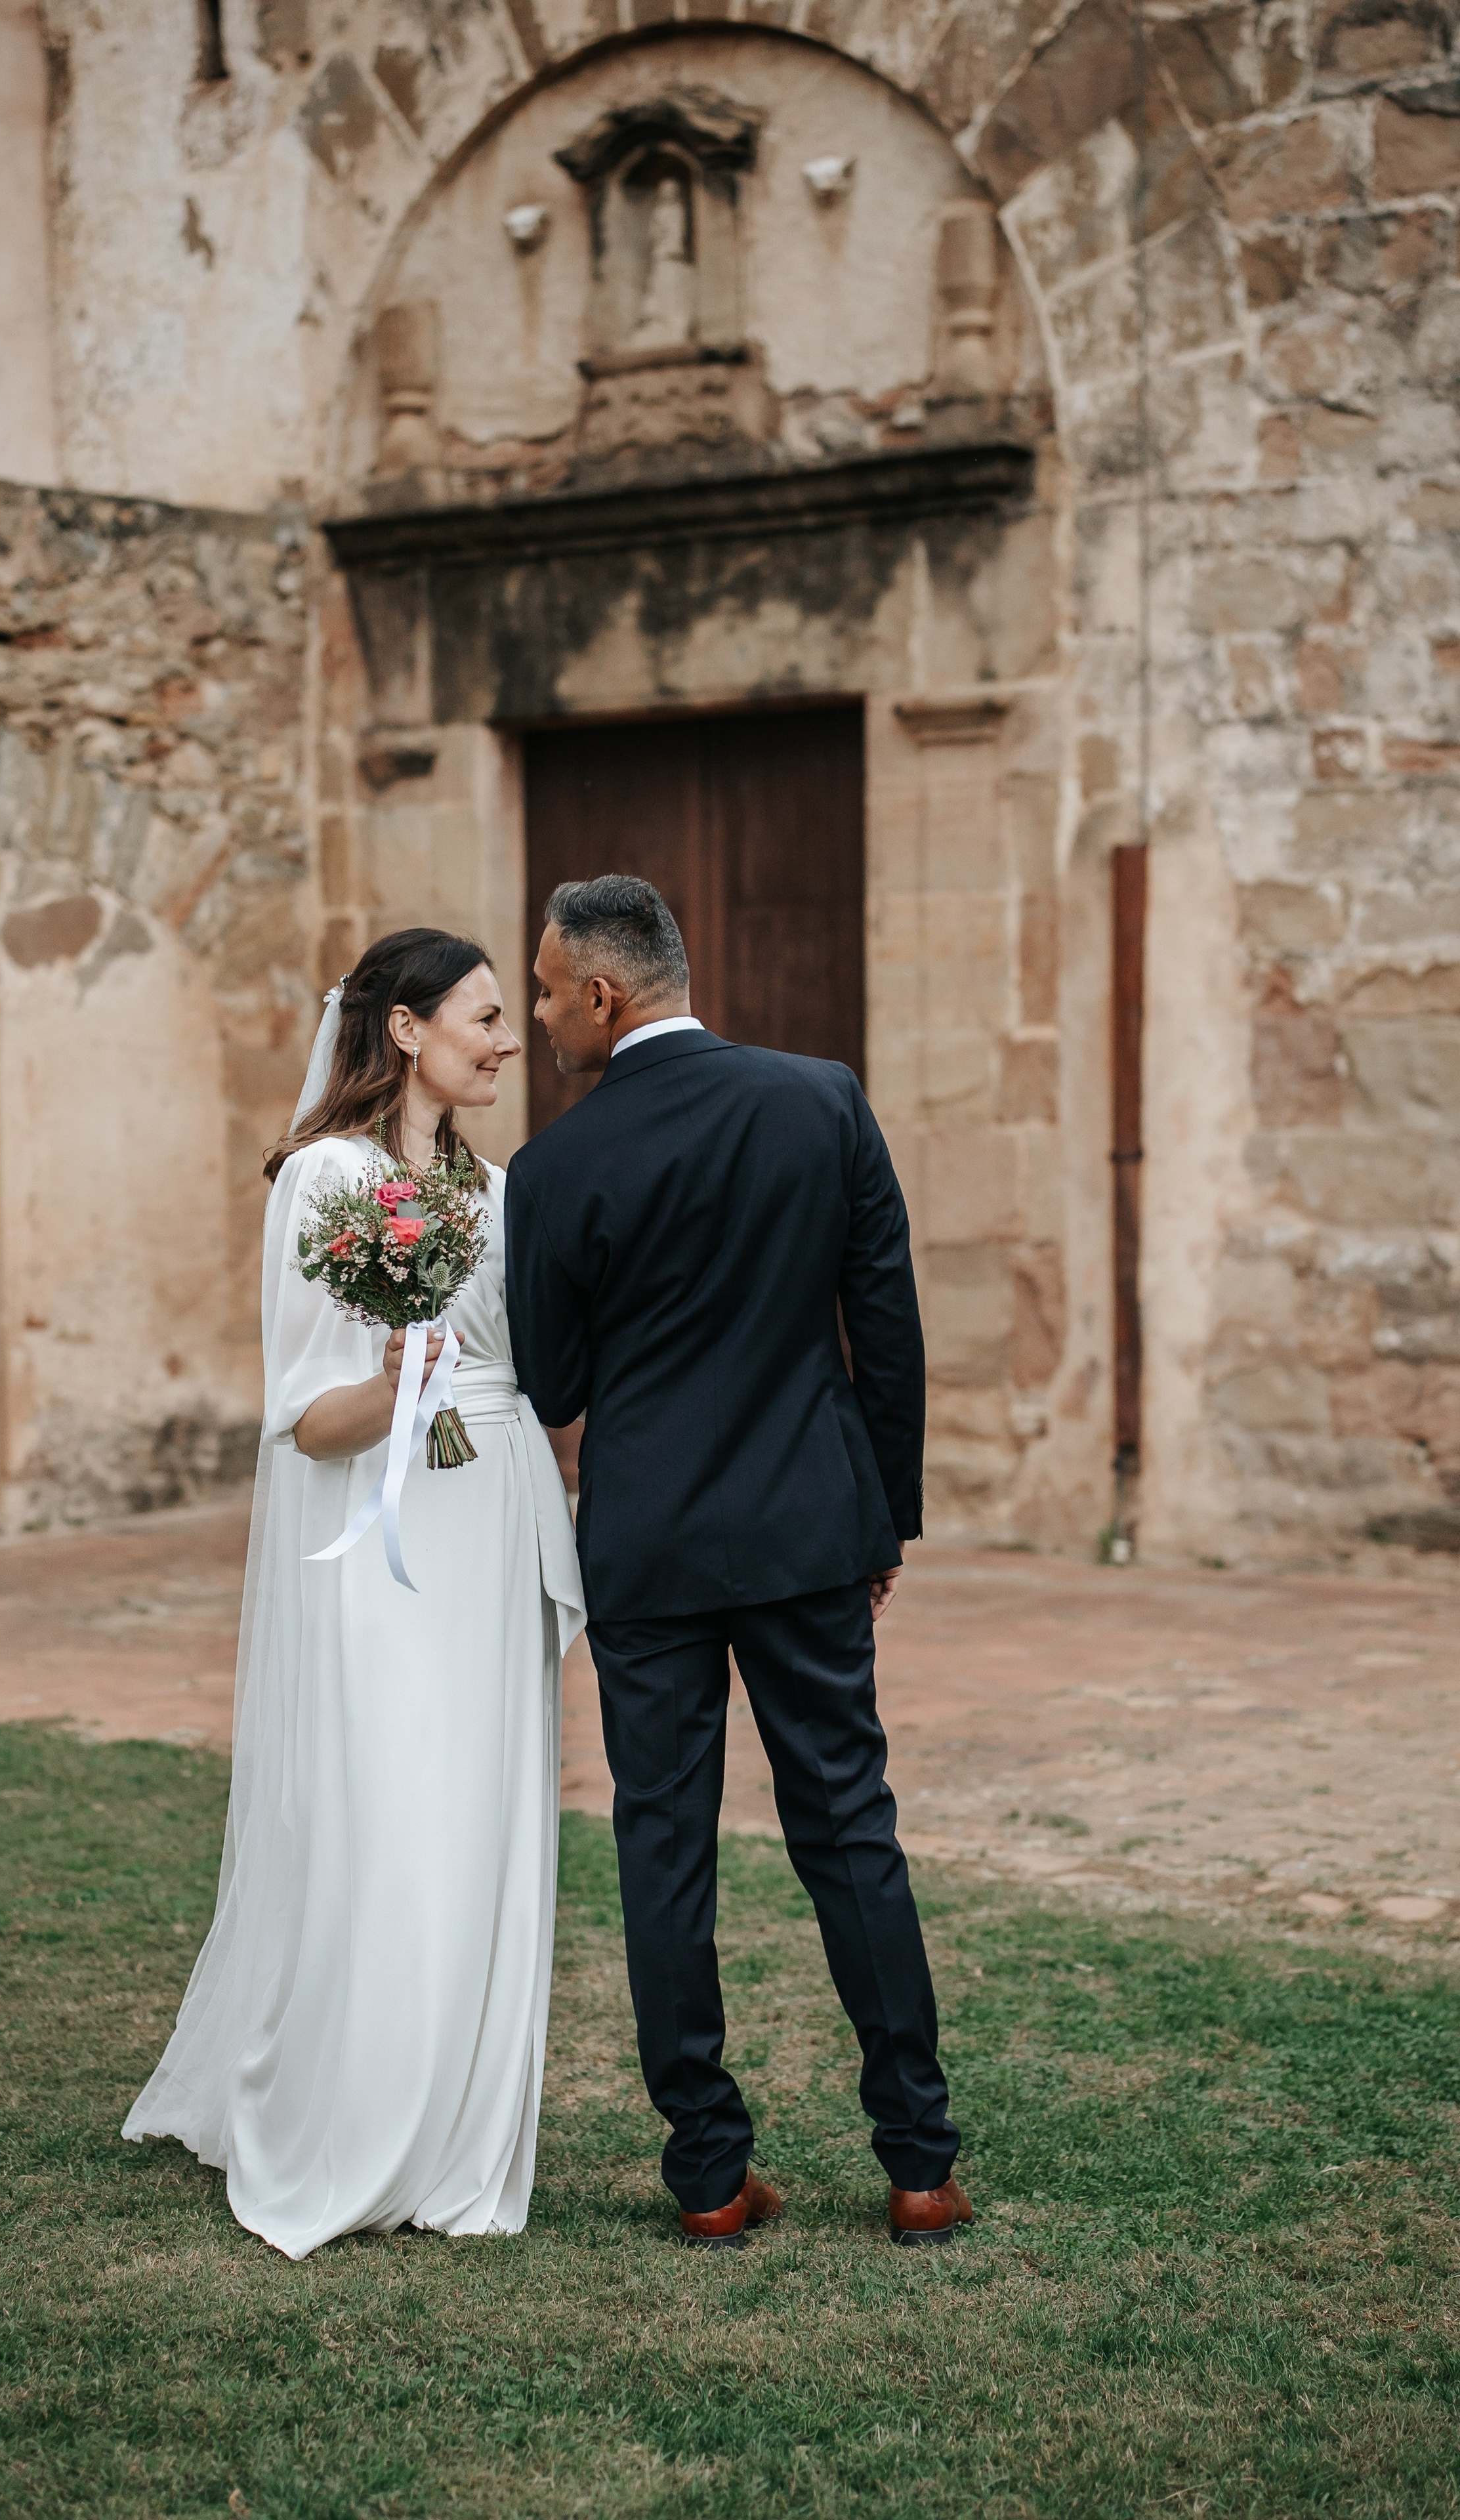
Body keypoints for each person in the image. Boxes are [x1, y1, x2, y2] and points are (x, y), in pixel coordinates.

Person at [505, 874, 969, 2250]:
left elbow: (551, 1376)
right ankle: (918, 2163)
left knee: (663, 1847)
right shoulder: (819, 1099)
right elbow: (882, 1319)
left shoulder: (555, 1169)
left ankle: (708, 2174)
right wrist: (878, 1514)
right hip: (807, 1526)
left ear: (603, 993)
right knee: (848, 1827)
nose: (536, 1017)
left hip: (646, 1543)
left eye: (542, 990)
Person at [123, 929, 584, 2257]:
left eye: (508, 1020)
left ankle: (458, 2134)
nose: (505, 1040)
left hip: (492, 1517)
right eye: (485, 1017)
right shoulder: (325, 1177)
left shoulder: (496, 1189)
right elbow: (303, 1420)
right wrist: (401, 1384)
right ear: (403, 1028)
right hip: (382, 1537)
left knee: (480, 1816)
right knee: (393, 1813)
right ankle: (354, 2119)